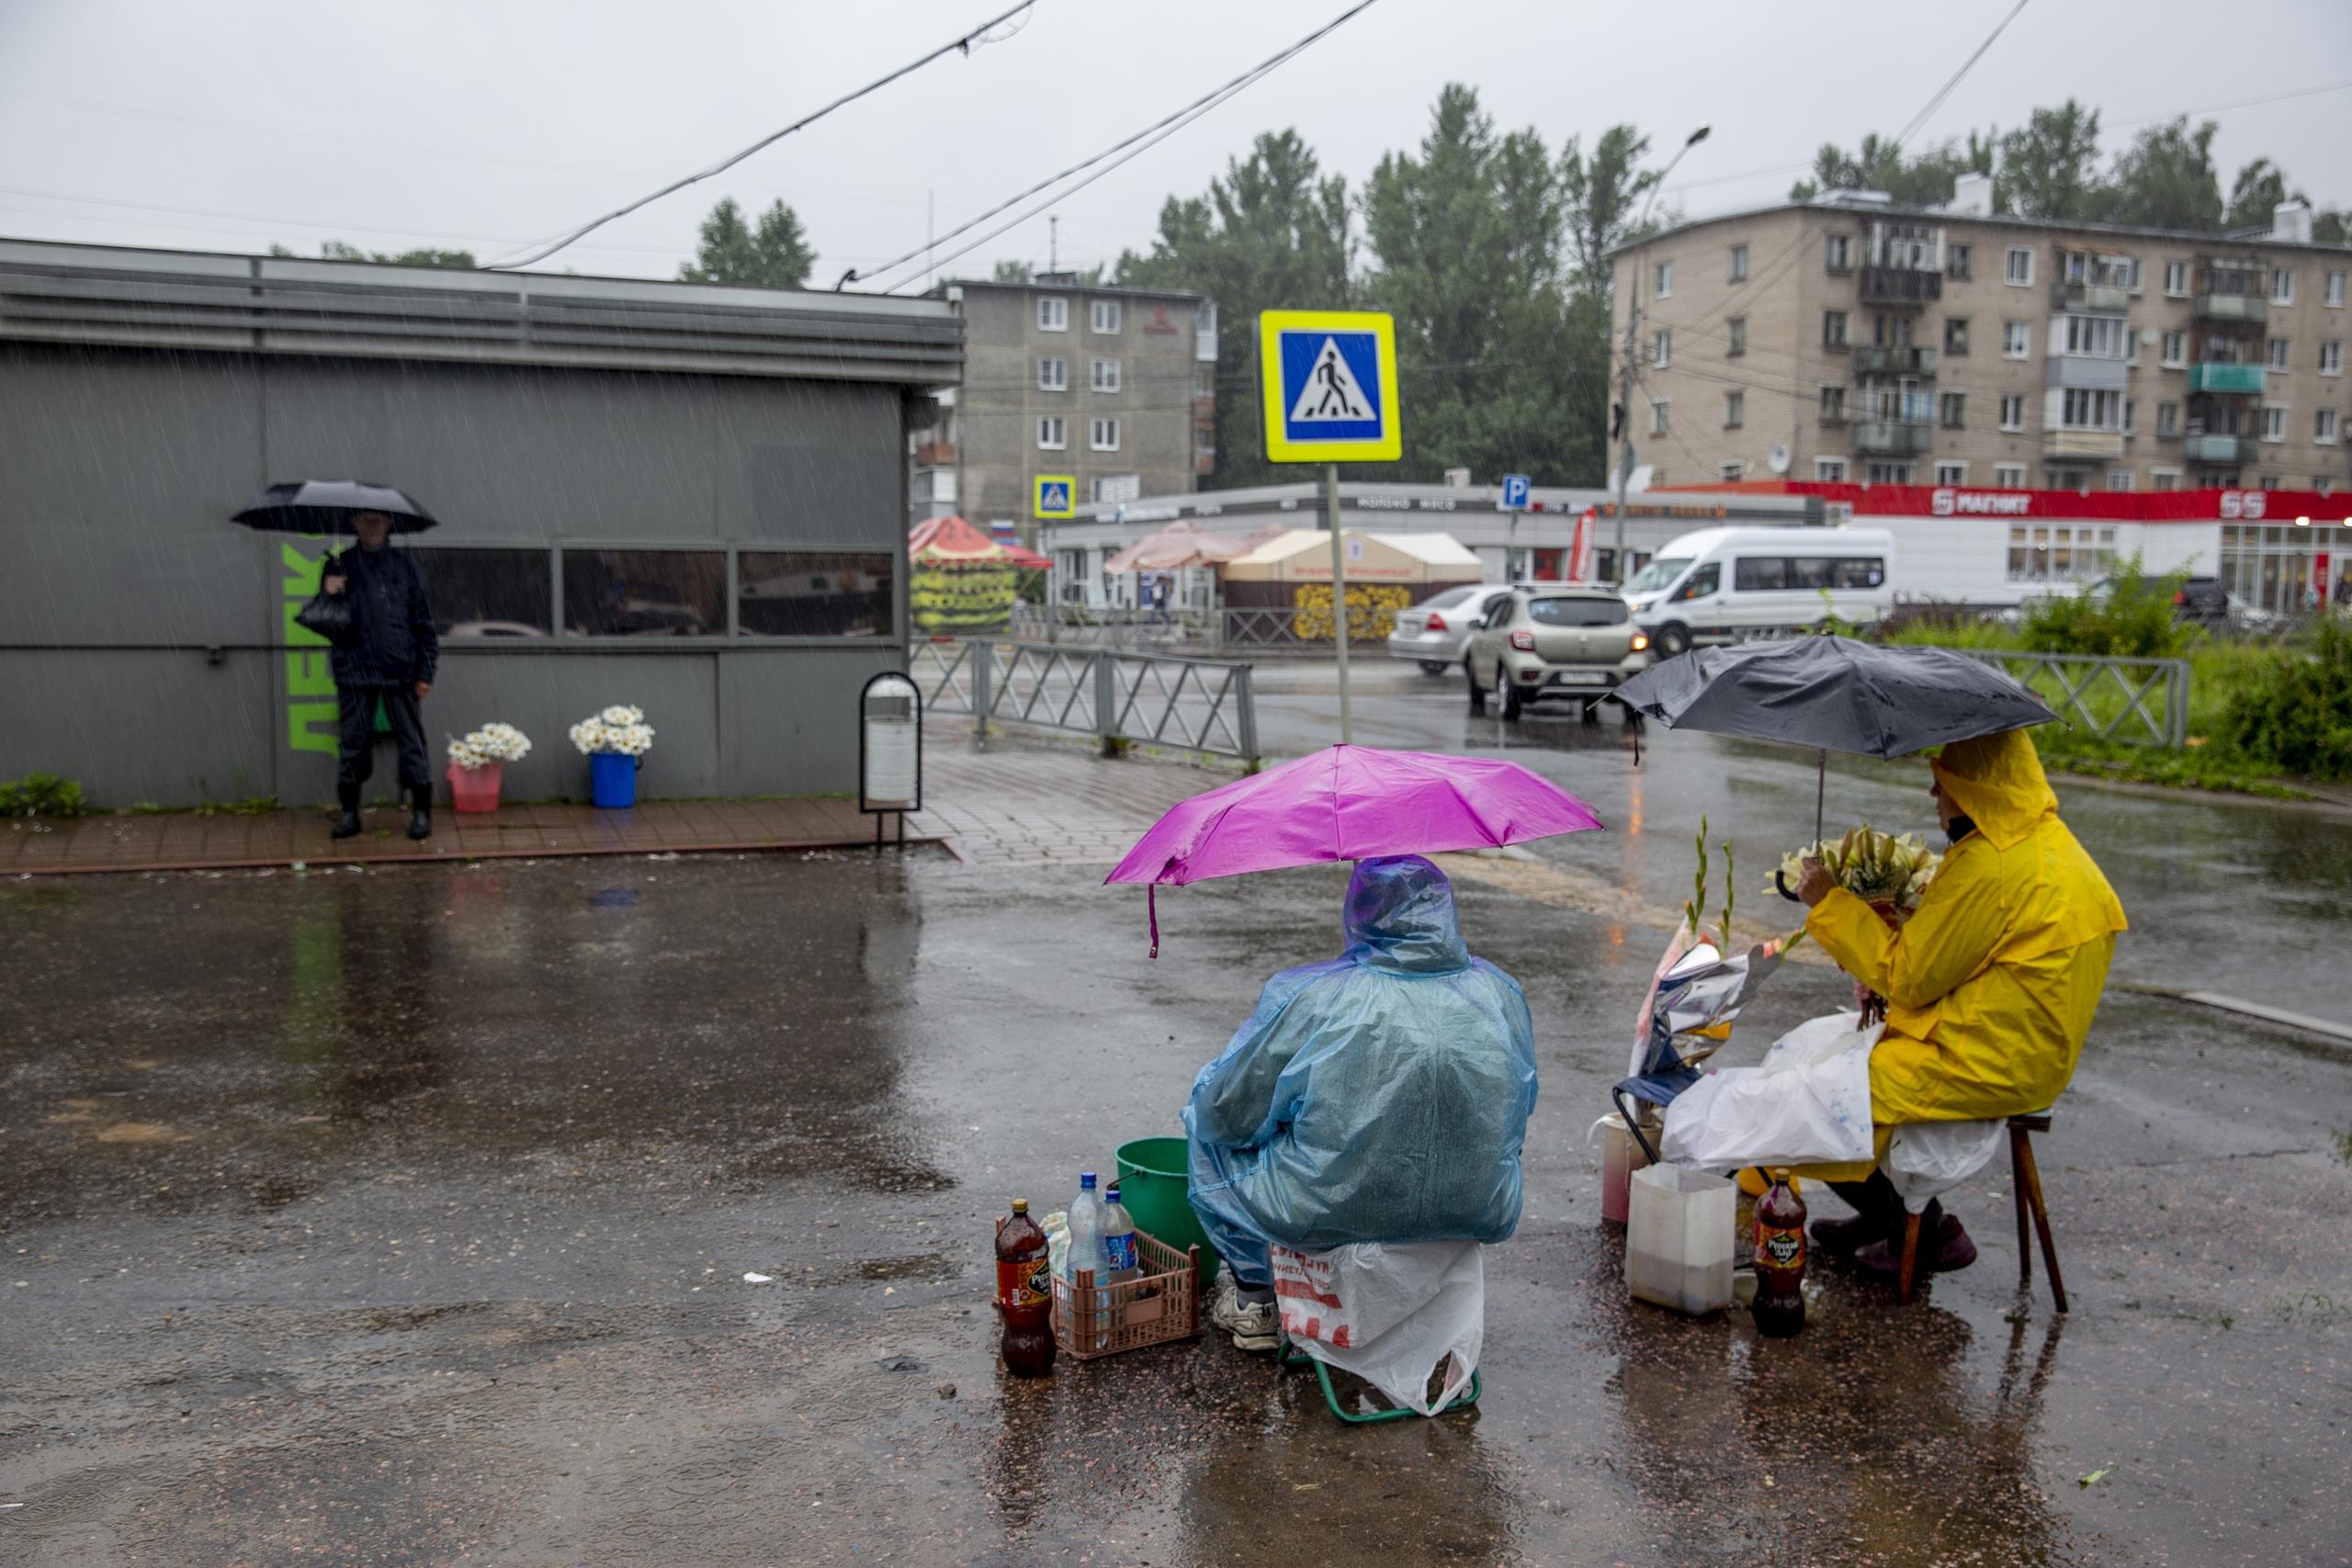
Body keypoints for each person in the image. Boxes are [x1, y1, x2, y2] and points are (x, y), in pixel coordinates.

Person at [1794, 728, 2126, 1277]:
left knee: (1818, 1094)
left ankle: (1926, 1234)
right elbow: (1980, 963)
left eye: (1942, 782)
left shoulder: (1989, 865)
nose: (1935, 797)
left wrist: (1829, 904)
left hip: (1981, 1061)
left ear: (1975, 791)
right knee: (1824, 1063)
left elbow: (1910, 976)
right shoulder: (2048, 846)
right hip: (2027, 1054)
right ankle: (1889, 1217)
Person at [1183, 855, 1538, 1350]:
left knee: (1203, 1129)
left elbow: (1225, 1113)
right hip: (1479, 1202)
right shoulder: (1500, 991)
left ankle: (1256, 1302)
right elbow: (1519, 1105)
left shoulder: (1311, 995)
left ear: (1359, 913)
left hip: (1330, 1210)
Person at [321, 511, 438, 841]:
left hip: (400, 669)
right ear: (354, 524)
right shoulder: (338, 565)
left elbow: (424, 623)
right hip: (353, 670)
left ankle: (421, 813)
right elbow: (323, 622)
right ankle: (349, 814)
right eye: (365, 520)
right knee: (352, 744)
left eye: (379, 520)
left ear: (388, 524)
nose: (372, 526)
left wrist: (426, 671)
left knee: (411, 743)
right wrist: (328, 595)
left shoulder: (405, 567)